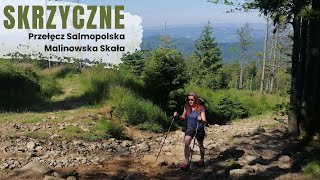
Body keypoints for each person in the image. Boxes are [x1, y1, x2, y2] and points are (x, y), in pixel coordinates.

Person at [174, 92, 207, 171]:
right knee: (186, 143)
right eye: (188, 100)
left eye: (192, 99)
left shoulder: (200, 108)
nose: (190, 101)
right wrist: (177, 116)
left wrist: (201, 119)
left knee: (200, 145)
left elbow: (205, 121)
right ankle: (186, 162)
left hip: (199, 128)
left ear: (195, 99)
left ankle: (202, 159)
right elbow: (183, 117)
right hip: (190, 128)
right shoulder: (187, 107)